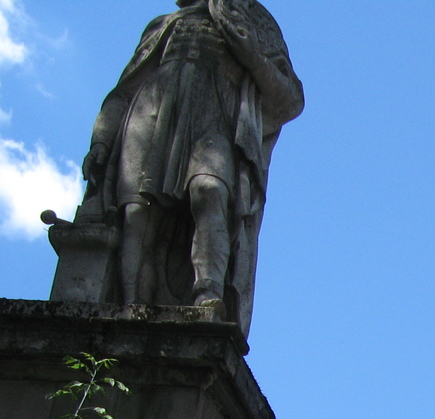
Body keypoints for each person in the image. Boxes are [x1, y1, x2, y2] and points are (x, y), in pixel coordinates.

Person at [68, 0, 303, 333]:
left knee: (210, 192)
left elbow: (290, 99)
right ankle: (129, 309)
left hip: (213, 119)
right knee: (136, 215)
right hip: (151, 115)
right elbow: (123, 92)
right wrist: (102, 141)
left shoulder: (254, 21)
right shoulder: (164, 24)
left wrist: (251, 52)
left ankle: (207, 295)